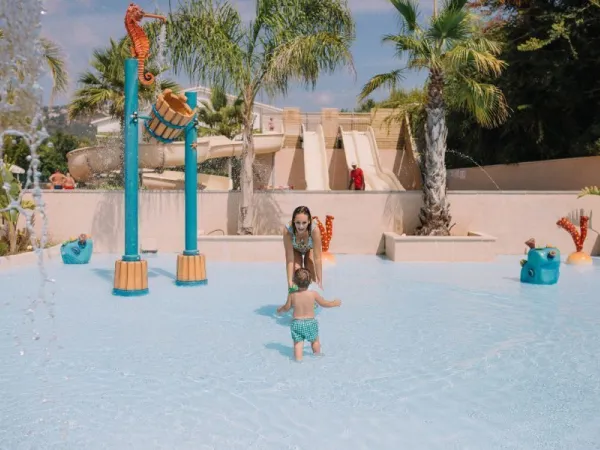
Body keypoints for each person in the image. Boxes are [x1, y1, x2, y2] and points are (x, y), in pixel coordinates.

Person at [277, 268, 342, 361]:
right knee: (315, 341)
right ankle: (317, 355)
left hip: (296, 323)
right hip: (310, 323)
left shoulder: (292, 294)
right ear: (310, 281)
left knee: (298, 344)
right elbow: (324, 303)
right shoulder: (313, 294)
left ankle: (298, 360)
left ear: (294, 281)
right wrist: (334, 303)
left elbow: (287, 308)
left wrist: (280, 309)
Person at [283, 205, 323, 292]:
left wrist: (320, 280)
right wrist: (289, 281)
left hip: (310, 248)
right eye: (298, 222)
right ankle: (297, 297)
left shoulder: (314, 230)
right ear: (293, 221)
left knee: (310, 265)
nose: (301, 226)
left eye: (304, 223)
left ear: (309, 221)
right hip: (296, 250)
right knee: (297, 270)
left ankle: (313, 297)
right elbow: (289, 258)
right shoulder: (288, 230)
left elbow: (317, 258)